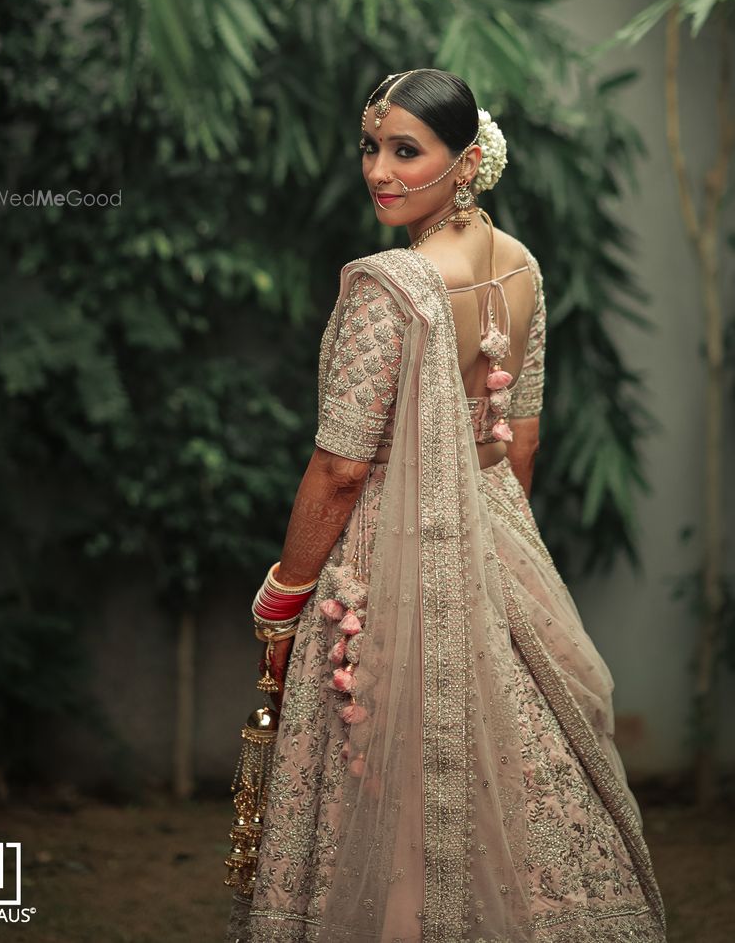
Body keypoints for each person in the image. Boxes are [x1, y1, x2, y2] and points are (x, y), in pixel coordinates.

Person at [225, 68, 666, 943]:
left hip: (380, 558)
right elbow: (521, 440)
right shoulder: (522, 270)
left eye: (405, 151)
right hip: (495, 536)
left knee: (377, 774)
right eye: (370, 148)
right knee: (506, 765)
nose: (379, 172)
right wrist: (485, 556)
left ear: (466, 162)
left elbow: (342, 467)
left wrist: (286, 590)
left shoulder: (388, 286)